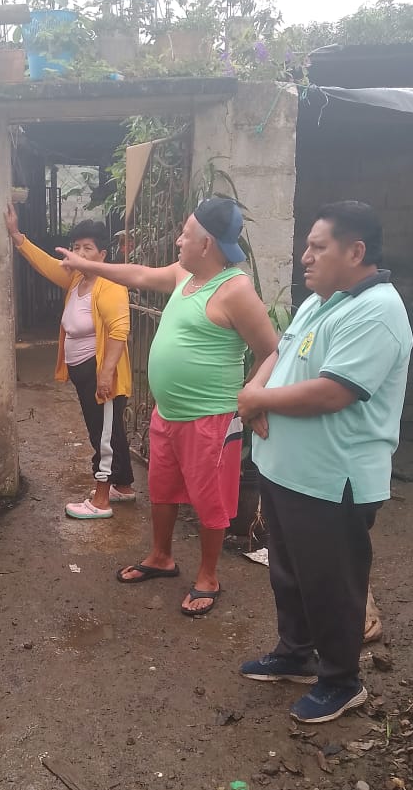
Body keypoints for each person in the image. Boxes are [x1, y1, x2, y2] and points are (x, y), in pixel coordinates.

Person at [58, 198, 279, 616]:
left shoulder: (235, 290)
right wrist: (87, 264)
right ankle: (161, 556)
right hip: (168, 414)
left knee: (210, 500)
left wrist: (253, 395)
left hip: (210, 418)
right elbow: (138, 274)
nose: (178, 240)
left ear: (207, 243)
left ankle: (208, 577)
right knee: (162, 490)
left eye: (185, 234)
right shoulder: (185, 275)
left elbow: (271, 349)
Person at [238, 201, 412, 723]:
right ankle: (295, 654)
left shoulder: (376, 310)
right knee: (290, 574)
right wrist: (253, 391)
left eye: (318, 247)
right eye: (307, 246)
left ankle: (341, 681)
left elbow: (334, 392)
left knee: (331, 583)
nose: (305, 256)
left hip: (332, 480)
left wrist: (258, 400)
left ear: (355, 252)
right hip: (288, 472)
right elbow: (280, 351)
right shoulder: (322, 301)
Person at [5, 204, 135, 518]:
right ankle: (123, 486)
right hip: (84, 371)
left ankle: (101, 500)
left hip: (101, 372)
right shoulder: (77, 279)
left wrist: (105, 375)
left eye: (87, 248)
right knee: (109, 429)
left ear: (103, 254)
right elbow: (47, 265)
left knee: (102, 435)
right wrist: (17, 236)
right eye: (76, 247)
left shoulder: (110, 285)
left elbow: (119, 331)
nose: (79, 253)